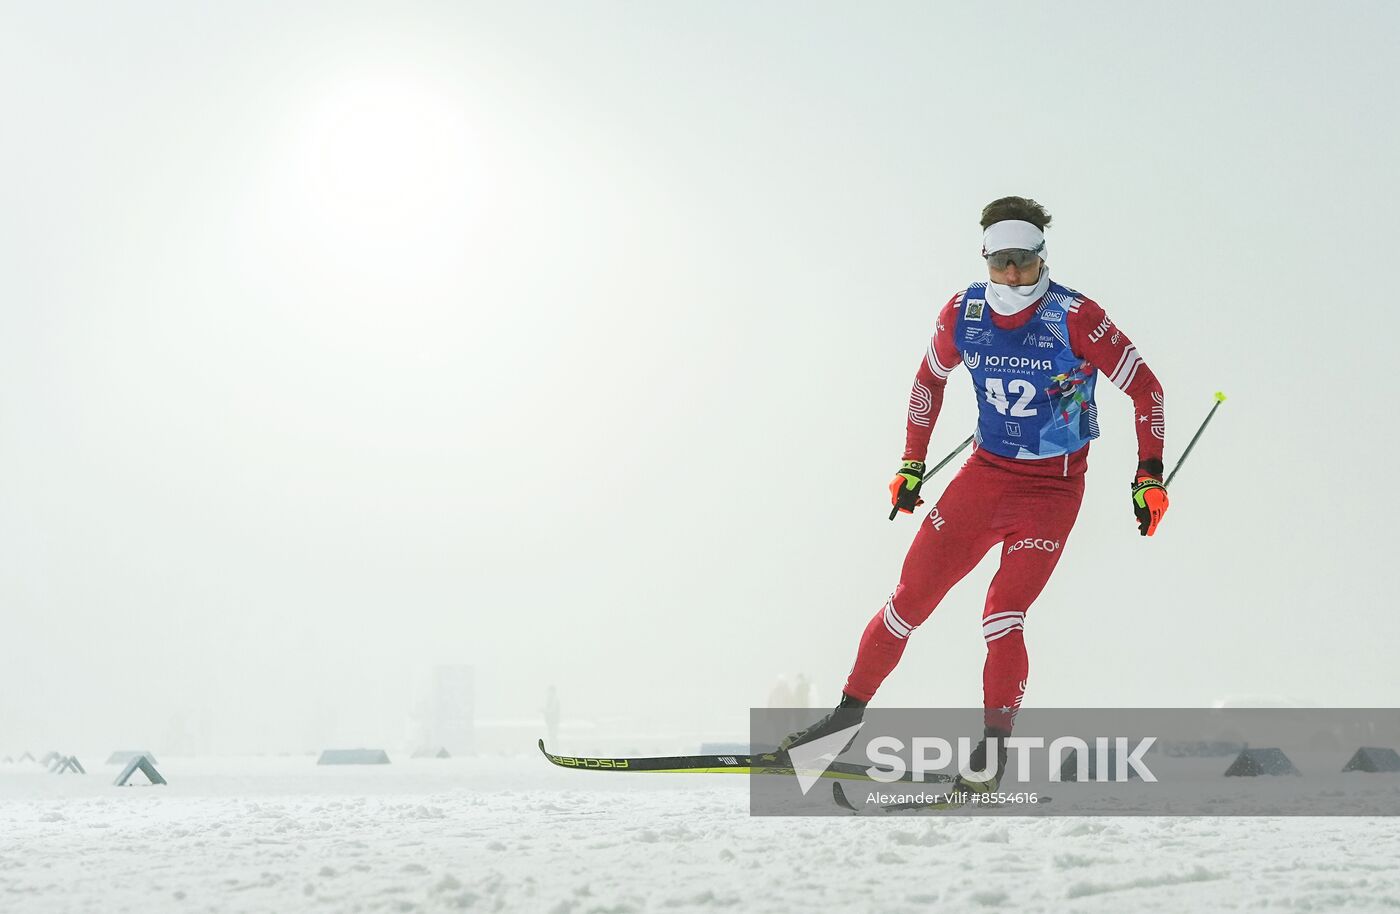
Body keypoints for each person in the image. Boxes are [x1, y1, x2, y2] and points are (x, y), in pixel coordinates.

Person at [782, 197, 1168, 794]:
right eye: (1000, 263)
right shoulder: (963, 312)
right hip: (983, 477)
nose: (1011, 276)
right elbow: (927, 381)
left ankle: (990, 756)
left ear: (1042, 256)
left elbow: (1147, 389)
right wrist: (911, 463)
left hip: (1052, 490)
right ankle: (841, 723)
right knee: (909, 599)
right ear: (984, 258)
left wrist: (1148, 475)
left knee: (1001, 616)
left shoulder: (1075, 316)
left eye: (1022, 261)